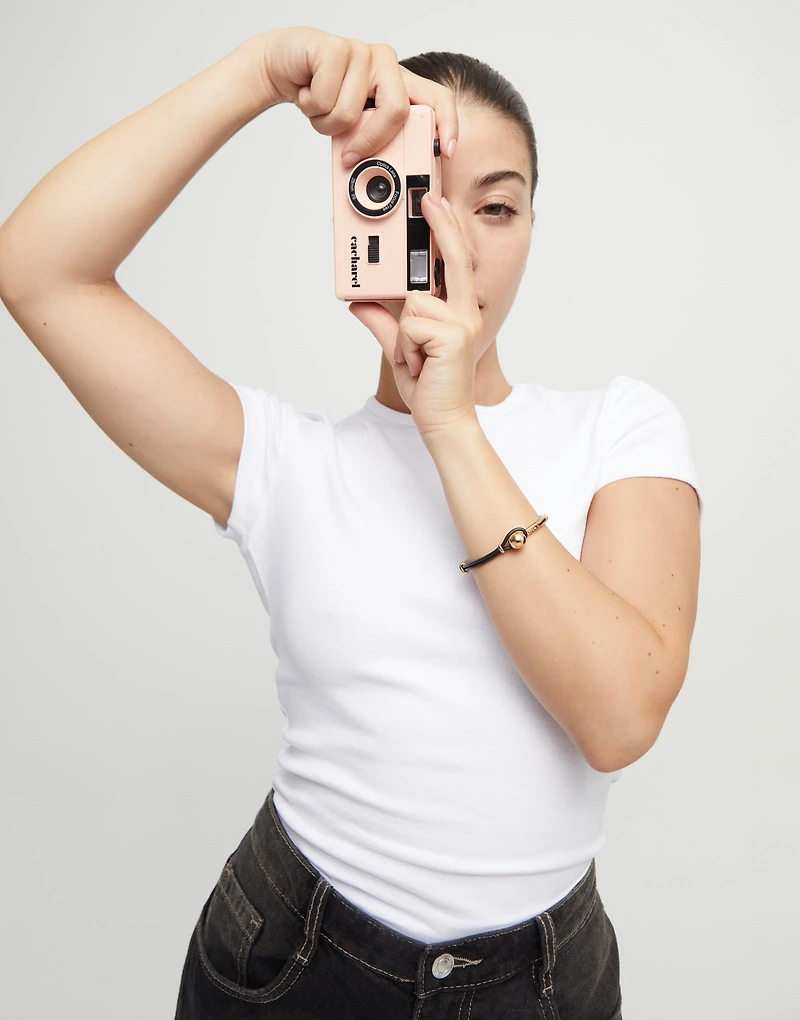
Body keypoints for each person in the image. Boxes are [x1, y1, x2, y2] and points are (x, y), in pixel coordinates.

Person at [0, 25, 701, 1020]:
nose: (451, 242)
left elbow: (618, 717)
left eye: (493, 207)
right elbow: (36, 270)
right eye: (416, 196)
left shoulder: (620, 428)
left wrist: (447, 420)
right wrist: (255, 74)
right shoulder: (282, 462)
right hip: (293, 955)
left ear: (532, 229)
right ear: (355, 212)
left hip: (541, 981)